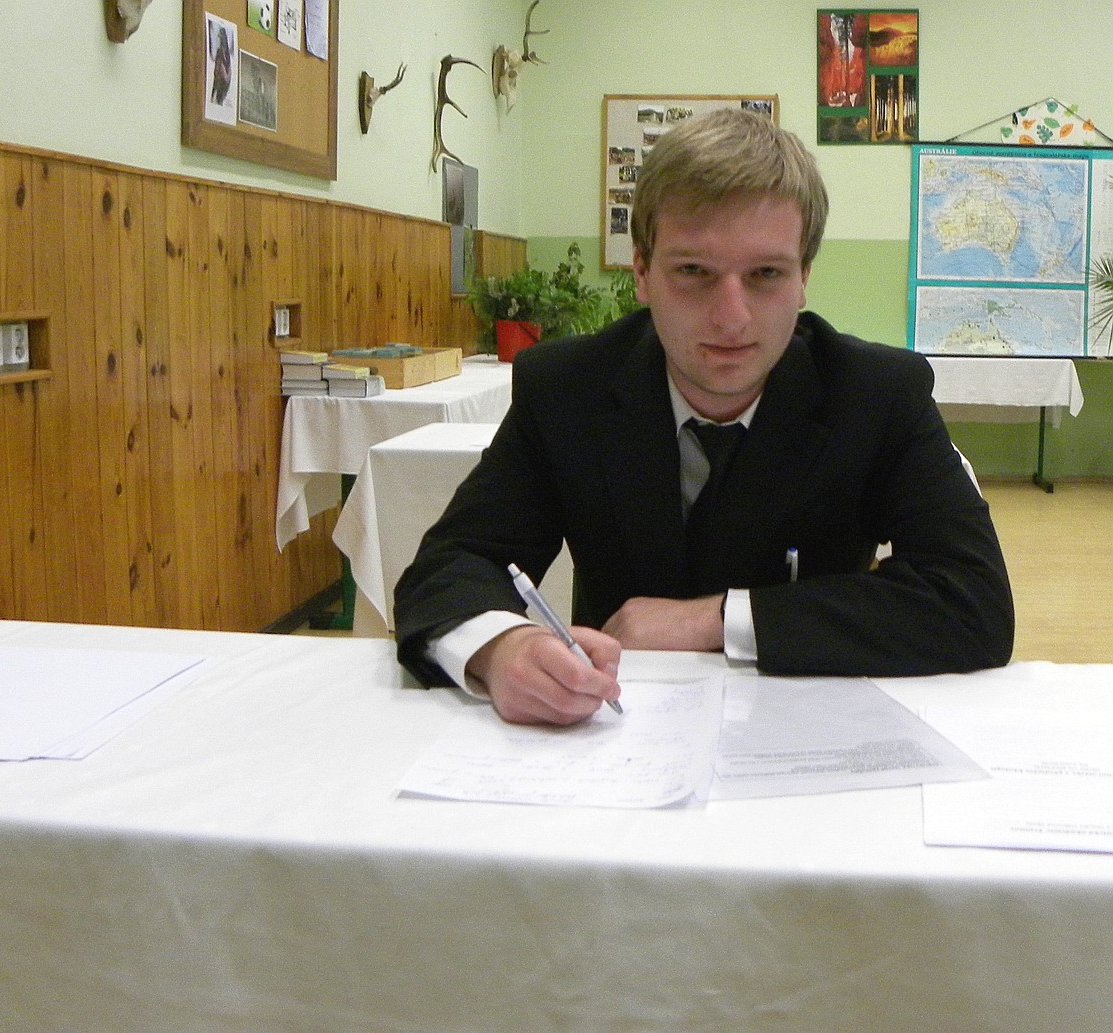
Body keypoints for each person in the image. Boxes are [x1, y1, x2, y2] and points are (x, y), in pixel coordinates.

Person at [393, 108, 1014, 726]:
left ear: (803, 279)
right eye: (694, 271)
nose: (731, 317)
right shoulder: (567, 389)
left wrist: (716, 620)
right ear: (642, 272)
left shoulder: (877, 395)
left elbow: (972, 601)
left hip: (809, 728)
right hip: (613, 732)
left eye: (766, 274)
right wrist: (502, 648)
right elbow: (452, 566)